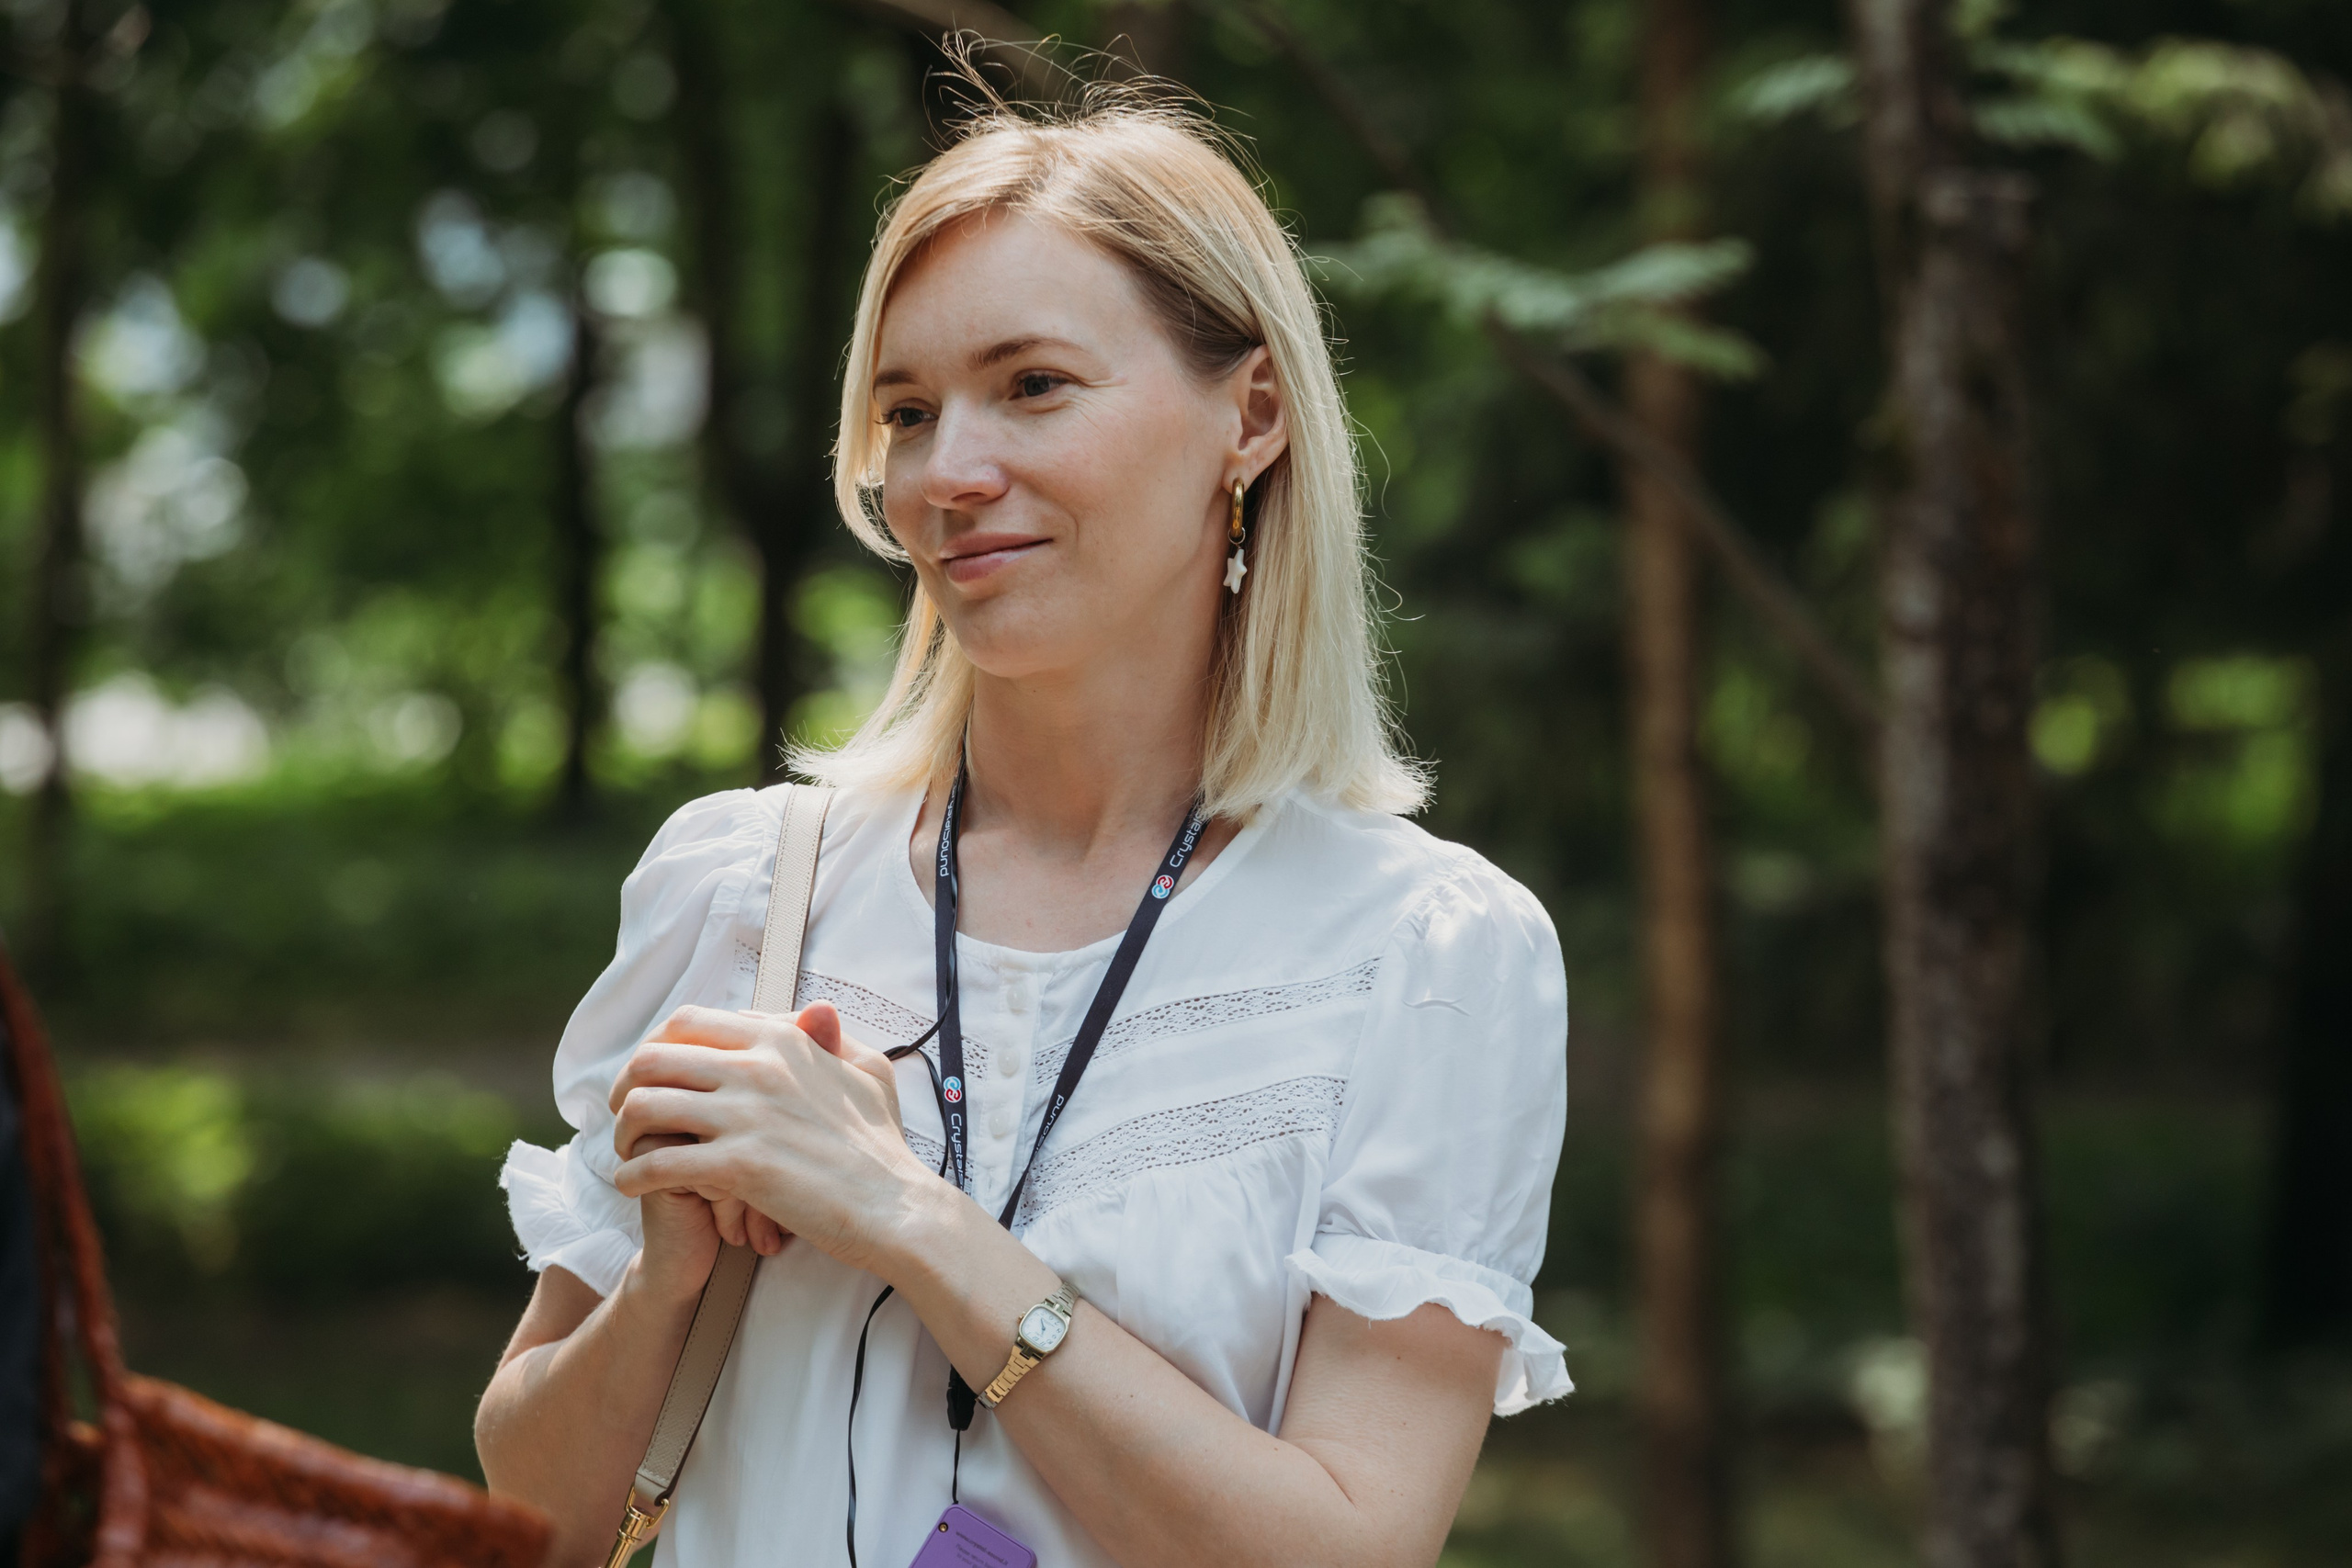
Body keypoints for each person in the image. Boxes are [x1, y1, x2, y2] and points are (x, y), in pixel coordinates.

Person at [475, 88, 1569, 1568]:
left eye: (1035, 385)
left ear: (1250, 418)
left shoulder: (1420, 955)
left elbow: (1346, 1551)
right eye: (908, 413)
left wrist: (909, 1222)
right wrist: (663, 1283)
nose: (947, 475)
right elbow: (531, 1522)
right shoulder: (747, 894)